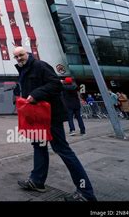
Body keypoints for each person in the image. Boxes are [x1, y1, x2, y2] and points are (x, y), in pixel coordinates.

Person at [12, 47, 97, 201]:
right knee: (38, 146)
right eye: (16, 56)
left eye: (21, 55)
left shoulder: (40, 66)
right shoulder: (23, 70)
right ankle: (37, 181)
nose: (19, 58)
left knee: (62, 149)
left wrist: (35, 94)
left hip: (51, 116)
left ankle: (86, 193)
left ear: (28, 54)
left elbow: (56, 85)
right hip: (37, 117)